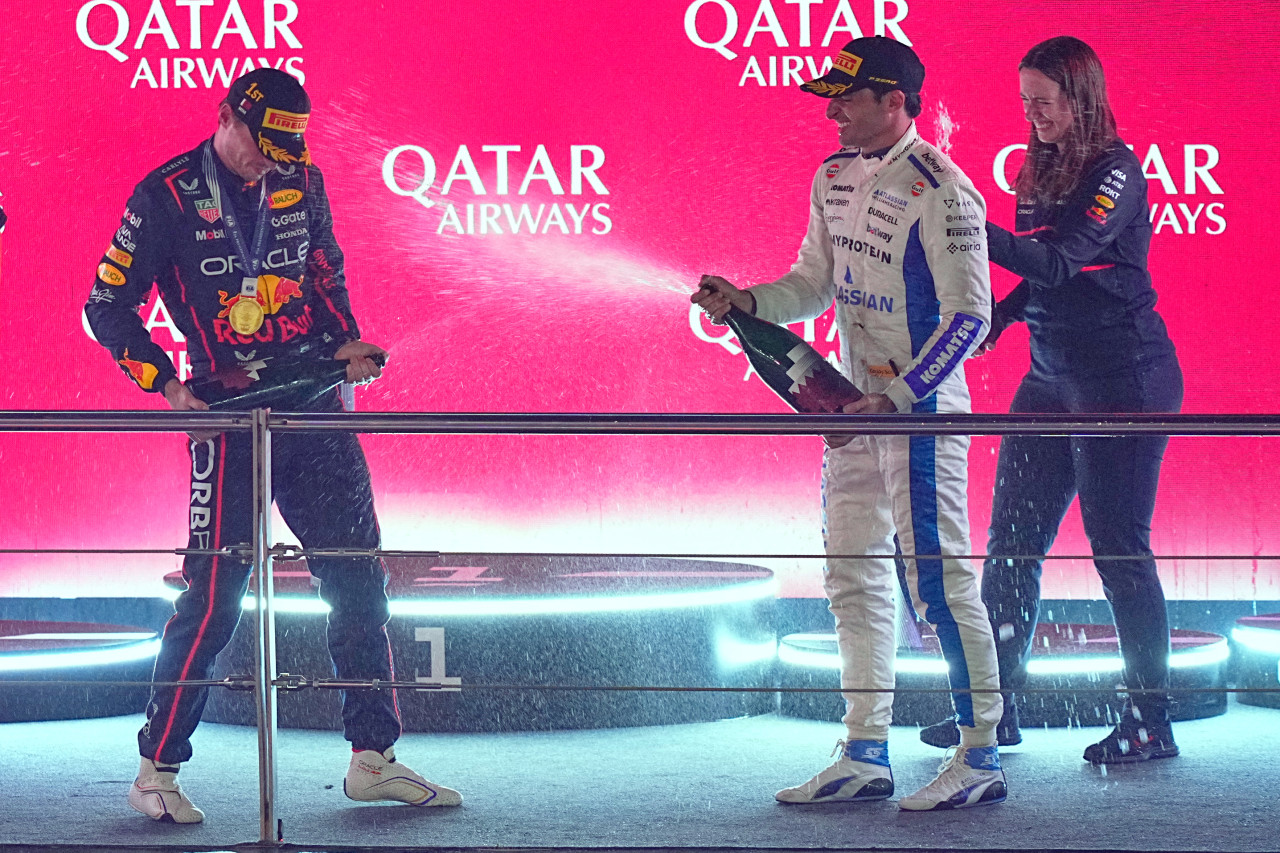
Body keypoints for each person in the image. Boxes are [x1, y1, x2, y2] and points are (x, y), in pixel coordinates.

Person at [84, 68, 461, 822]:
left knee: (358, 579)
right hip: (227, 419)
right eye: (261, 147)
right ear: (226, 116)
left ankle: (373, 758)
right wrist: (168, 385)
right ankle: (157, 769)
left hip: (314, 410)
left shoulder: (303, 179)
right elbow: (107, 306)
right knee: (215, 595)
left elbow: (326, 271)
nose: (269, 164)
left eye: (284, 153)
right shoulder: (165, 195)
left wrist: (347, 340)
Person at [693, 37, 1007, 811]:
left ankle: (981, 756)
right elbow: (811, 283)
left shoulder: (944, 187)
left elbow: (971, 317)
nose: (832, 111)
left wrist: (899, 399)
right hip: (851, 409)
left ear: (895, 101)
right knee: (852, 576)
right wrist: (748, 302)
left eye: (847, 98)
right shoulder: (831, 176)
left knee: (938, 585)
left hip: (921, 416)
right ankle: (865, 750)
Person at [917, 36, 1184, 765]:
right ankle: (995, 710)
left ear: (1081, 97)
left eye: (1044, 101)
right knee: (1011, 543)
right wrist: (998, 319)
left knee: (1119, 549)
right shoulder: (1037, 164)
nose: (1032, 114)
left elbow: (1063, 260)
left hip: (1123, 379)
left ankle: (1150, 722)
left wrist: (969, 227)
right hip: (1049, 376)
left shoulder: (1116, 170)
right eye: (1025, 101)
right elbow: (1042, 275)